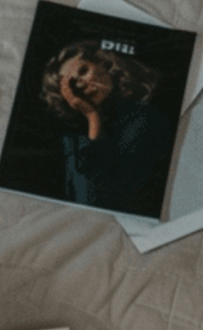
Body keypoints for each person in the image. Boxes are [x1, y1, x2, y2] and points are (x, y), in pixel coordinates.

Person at [40, 40, 173, 214]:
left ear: (103, 63)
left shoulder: (144, 119)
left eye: (83, 70)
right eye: (72, 85)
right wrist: (92, 117)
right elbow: (85, 204)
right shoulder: (73, 143)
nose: (81, 85)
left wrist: (92, 118)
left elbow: (113, 197)